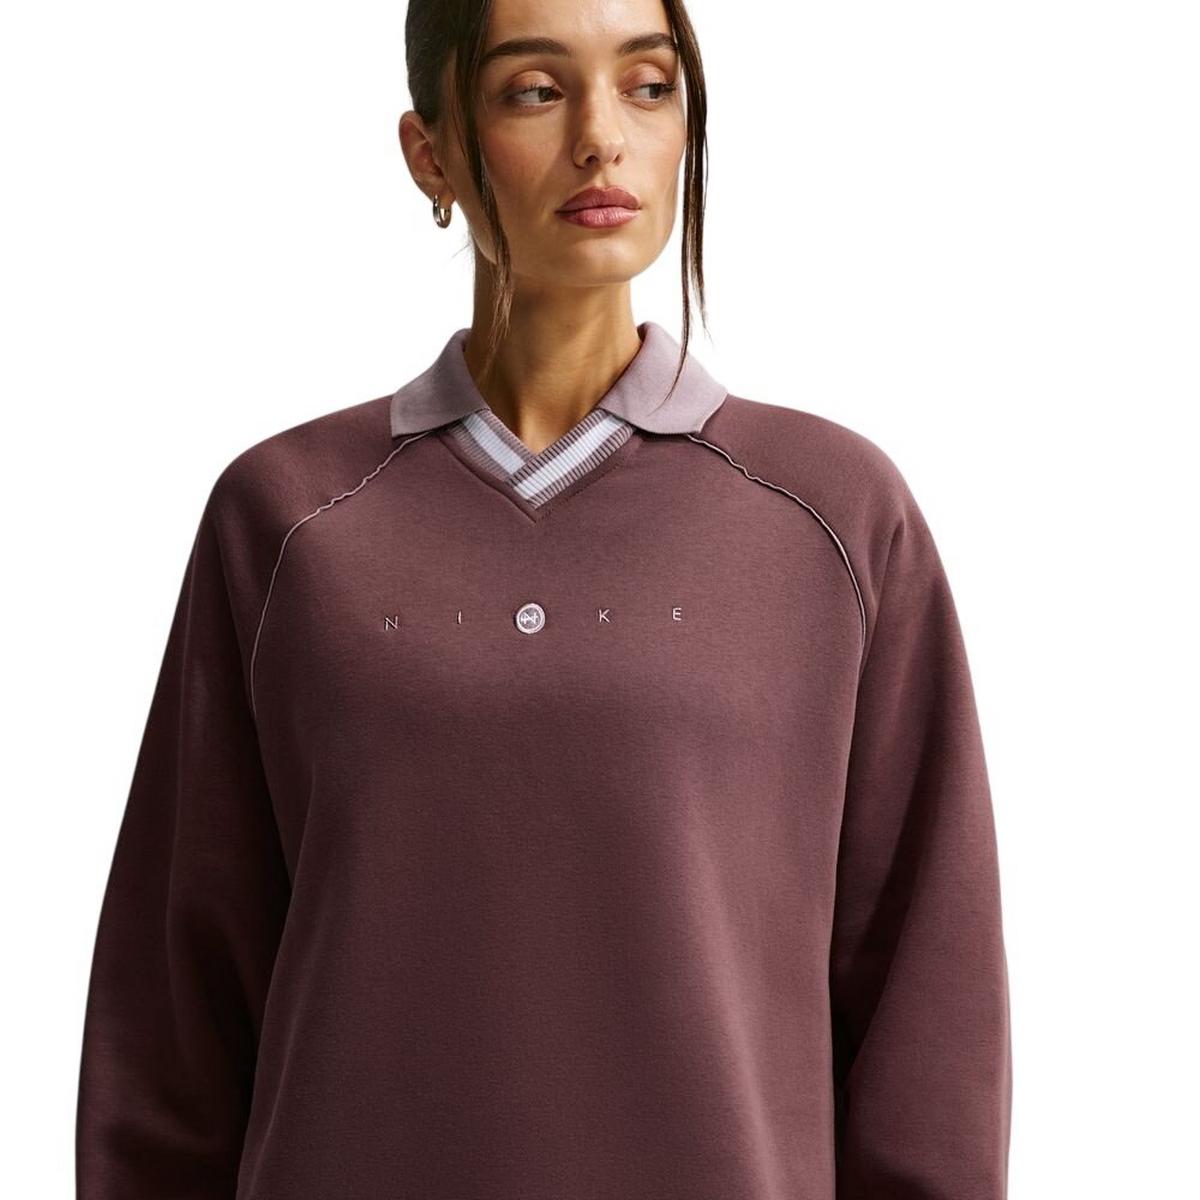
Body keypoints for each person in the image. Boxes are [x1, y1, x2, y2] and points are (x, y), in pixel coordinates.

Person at [75, 0, 1013, 1196]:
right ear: (431, 153)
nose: (602, 138)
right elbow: (172, 1021)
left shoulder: (832, 513)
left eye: (649, 86)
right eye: (535, 90)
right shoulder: (288, 521)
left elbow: (929, 1008)